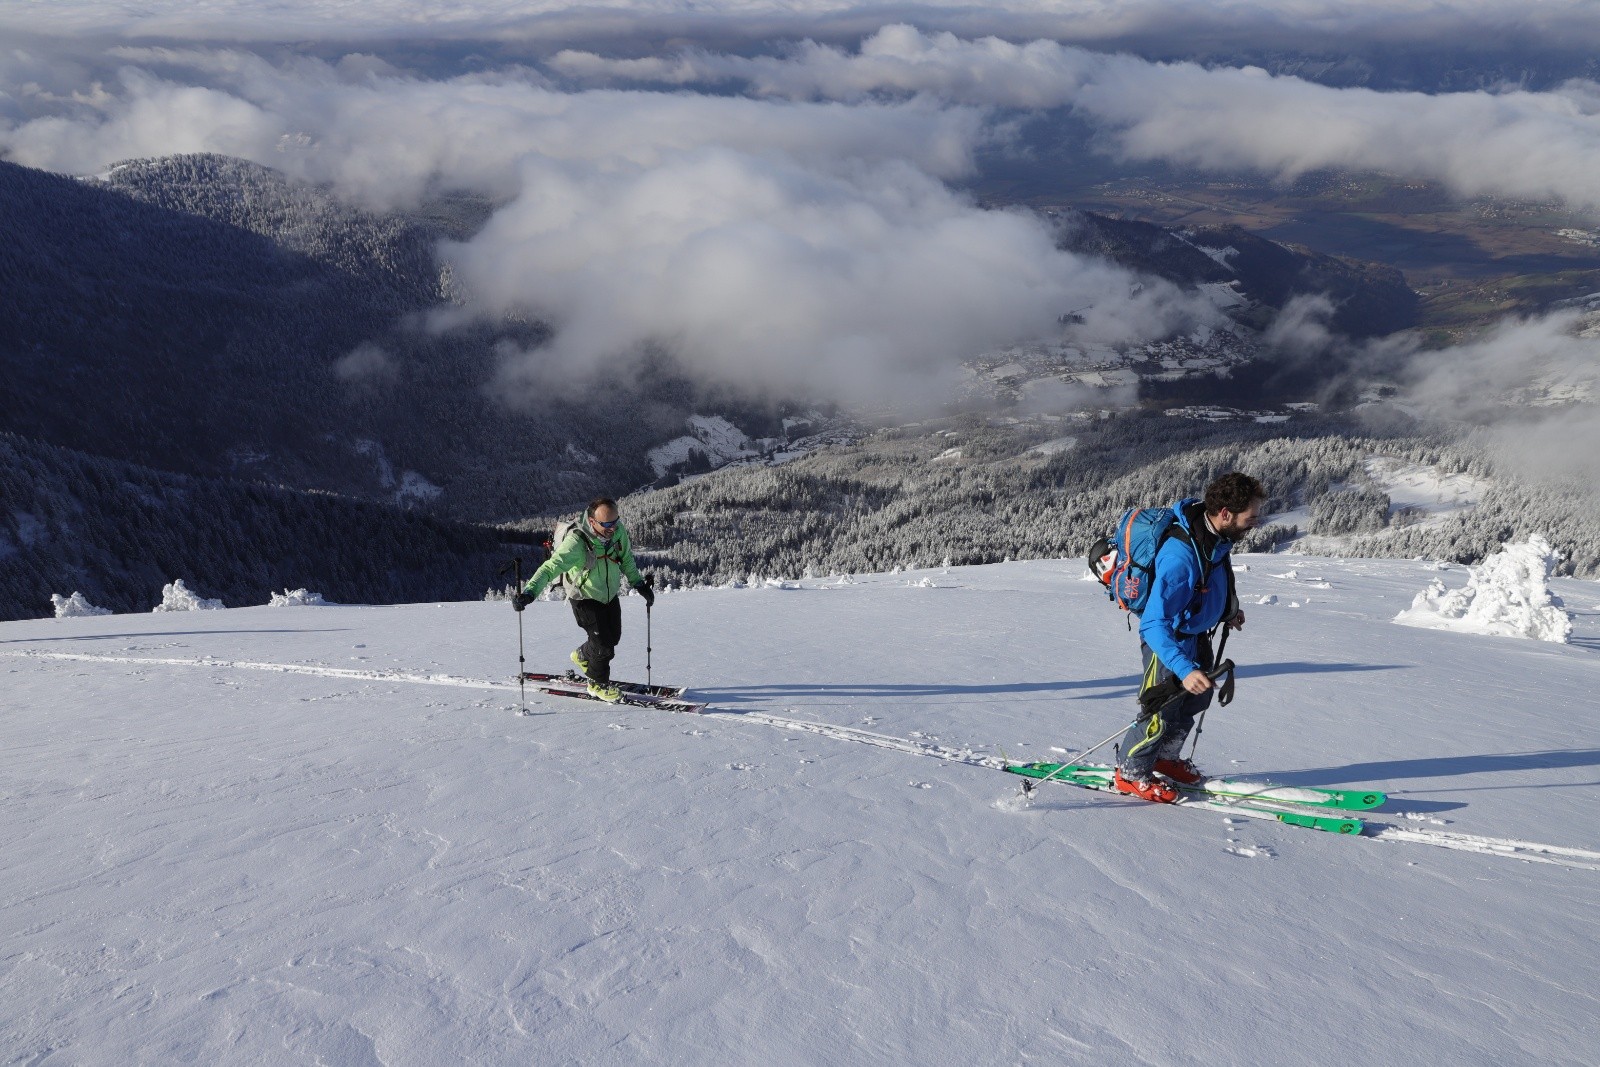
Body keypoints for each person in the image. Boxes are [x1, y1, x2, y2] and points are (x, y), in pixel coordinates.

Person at [1113, 472, 1265, 803]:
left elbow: (1207, 583)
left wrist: (1225, 611)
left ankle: (1166, 758)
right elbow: (1153, 624)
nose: (1255, 522)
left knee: (1196, 699)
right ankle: (1131, 773)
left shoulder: (1214, 539)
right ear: (1226, 513)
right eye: (1250, 516)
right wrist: (1183, 669)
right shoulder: (1180, 556)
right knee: (1160, 712)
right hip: (1169, 645)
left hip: (1196, 636)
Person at [511, 496, 654, 702]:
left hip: (608, 594)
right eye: (607, 524)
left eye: (615, 521)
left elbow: (626, 559)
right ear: (592, 521)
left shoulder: (617, 531)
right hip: (584, 597)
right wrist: (529, 592)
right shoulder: (577, 542)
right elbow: (550, 568)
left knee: (613, 637)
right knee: (604, 646)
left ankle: (582, 655)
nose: (613, 528)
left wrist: (639, 584)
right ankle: (597, 684)